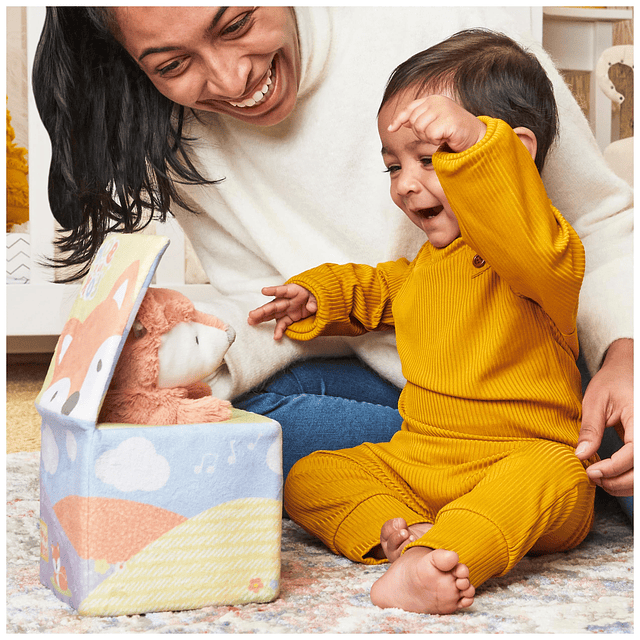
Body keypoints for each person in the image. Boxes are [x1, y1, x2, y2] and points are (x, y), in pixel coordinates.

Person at [32, 7, 632, 500]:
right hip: (414, 395)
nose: (231, 78)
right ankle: (490, 481)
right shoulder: (173, 137)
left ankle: (529, 477)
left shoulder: (452, 45)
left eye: (237, 24)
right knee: (243, 430)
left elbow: (600, 226)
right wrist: (199, 368)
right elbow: (274, 300)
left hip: (544, 382)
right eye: (173, 64)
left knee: (609, 448)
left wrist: (625, 357)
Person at [248, 29, 598, 614]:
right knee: (309, 473)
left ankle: (446, 552)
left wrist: (478, 149)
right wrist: (319, 296)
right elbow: (377, 289)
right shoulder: (425, 269)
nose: (407, 184)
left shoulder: (541, 259)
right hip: (420, 462)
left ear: (514, 153)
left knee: (557, 473)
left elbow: (521, 228)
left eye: (432, 160)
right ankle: (405, 535)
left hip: (521, 459)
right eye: (393, 167)